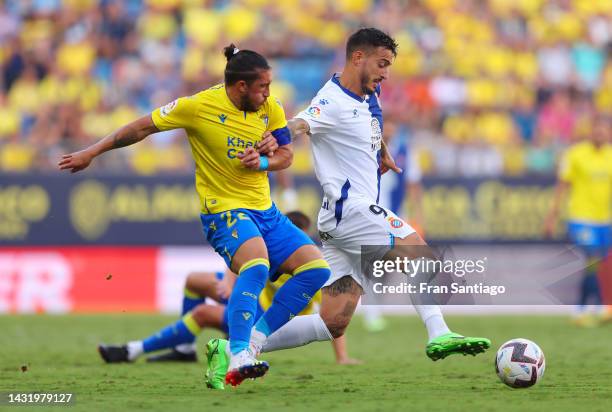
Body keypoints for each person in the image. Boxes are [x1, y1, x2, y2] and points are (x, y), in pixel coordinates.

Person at [206, 28, 490, 383]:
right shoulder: (332, 100)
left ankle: (239, 346)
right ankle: (439, 333)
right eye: (382, 64)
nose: (386, 72)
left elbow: (372, 122)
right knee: (418, 251)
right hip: (350, 209)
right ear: (358, 57)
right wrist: (272, 141)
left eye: (389, 65)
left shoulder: (371, 91)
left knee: (334, 322)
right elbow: (300, 123)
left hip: (338, 220)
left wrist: (381, 152)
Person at [59, 44, 331, 387]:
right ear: (241, 86)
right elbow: (142, 128)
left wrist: (263, 161)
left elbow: (287, 155)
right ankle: (238, 352)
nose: (268, 93)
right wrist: (92, 152)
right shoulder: (198, 106)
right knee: (257, 265)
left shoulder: (271, 108)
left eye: (269, 86)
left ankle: (253, 342)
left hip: (265, 210)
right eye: (262, 86)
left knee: (315, 270)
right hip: (224, 210)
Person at [97, 212, 358, 373]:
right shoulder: (271, 249)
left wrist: (342, 356)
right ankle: (184, 347)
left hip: (262, 318)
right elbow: (244, 261)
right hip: (249, 300)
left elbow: (330, 317)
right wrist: (229, 285)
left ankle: (134, 350)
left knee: (202, 314)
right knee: (194, 280)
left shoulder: (307, 271)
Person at [545, 115, 612, 326]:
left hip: (605, 220)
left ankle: (585, 309)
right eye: (597, 129)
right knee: (593, 257)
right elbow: (562, 186)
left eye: (604, 129)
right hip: (581, 217)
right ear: (590, 131)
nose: (600, 133)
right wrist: (551, 216)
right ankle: (596, 307)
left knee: (600, 264)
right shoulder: (575, 154)